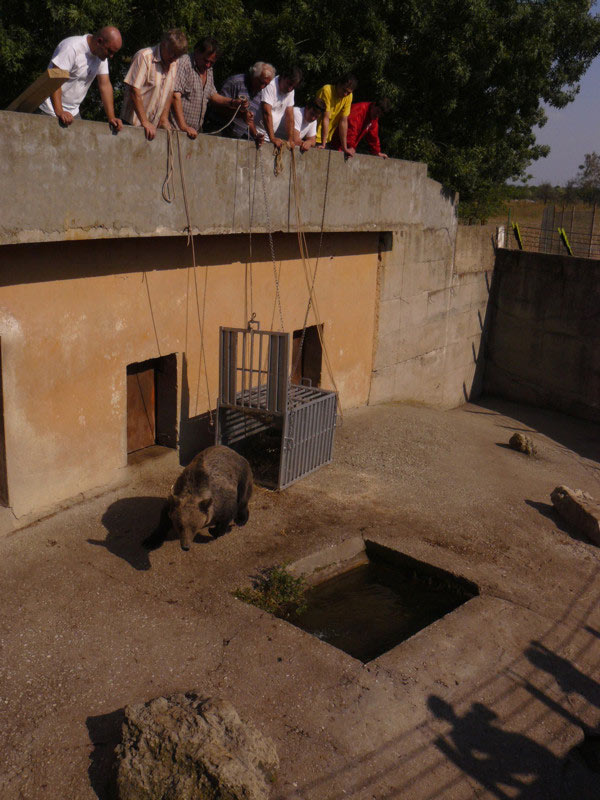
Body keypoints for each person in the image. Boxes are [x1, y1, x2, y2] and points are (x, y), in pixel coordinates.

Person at [38, 27, 123, 130]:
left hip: (73, 113)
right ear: (99, 41)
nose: (111, 56)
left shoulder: (101, 56)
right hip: (50, 109)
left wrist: (111, 117)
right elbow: (55, 79)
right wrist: (59, 111)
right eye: (109, 51)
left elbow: (105, 85)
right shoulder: (72, 47)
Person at [170, 37, 248, 138]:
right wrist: (184, 127)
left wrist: (233, 102)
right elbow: (175, 96)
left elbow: (212, 95)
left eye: (212, 62)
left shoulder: (208, 69)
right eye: (206, 60)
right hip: (176, 130)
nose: (208, 65)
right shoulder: (184, 64)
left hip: (194, 132)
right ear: (197, 51)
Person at [120, 29, 188, 141]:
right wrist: (145, 122)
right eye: (172, 53)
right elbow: (134, 90)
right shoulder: (144, 56)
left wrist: (164, 119)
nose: (174, 58)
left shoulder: (174, 63)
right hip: (132, 125)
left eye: (177, 56)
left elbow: (169, 92)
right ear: (164, 44)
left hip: (152, 129)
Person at [217, 61, 276, 143]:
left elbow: (249, 120)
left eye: (266, 85)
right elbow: (217, 106)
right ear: (254, 75)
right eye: (261, 82)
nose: (263, 87)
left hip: (235, 139)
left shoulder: (259, 93)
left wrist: (256, 135)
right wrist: (240, 114)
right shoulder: (235, 82)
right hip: (218, 133)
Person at [254, 66, 303, 148]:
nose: (290, 88)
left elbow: (290, 116)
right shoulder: (270, 85)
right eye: (289, 84)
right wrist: (272, 138)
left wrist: (290, 140)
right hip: (255, 133)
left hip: (268, 137)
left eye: (294, 87)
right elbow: (266, 113)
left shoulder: (290, 91)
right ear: (283, 76)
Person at [315, 73, 357, 157]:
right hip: (313, 135)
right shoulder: (327, 90)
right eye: (344, 90)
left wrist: (345, 148)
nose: (345, 94)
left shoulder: (349, 97)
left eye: (348, 92)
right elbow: (325, 118)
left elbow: (343, 121)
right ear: (339, 84)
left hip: (325, 139)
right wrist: (323, 144)